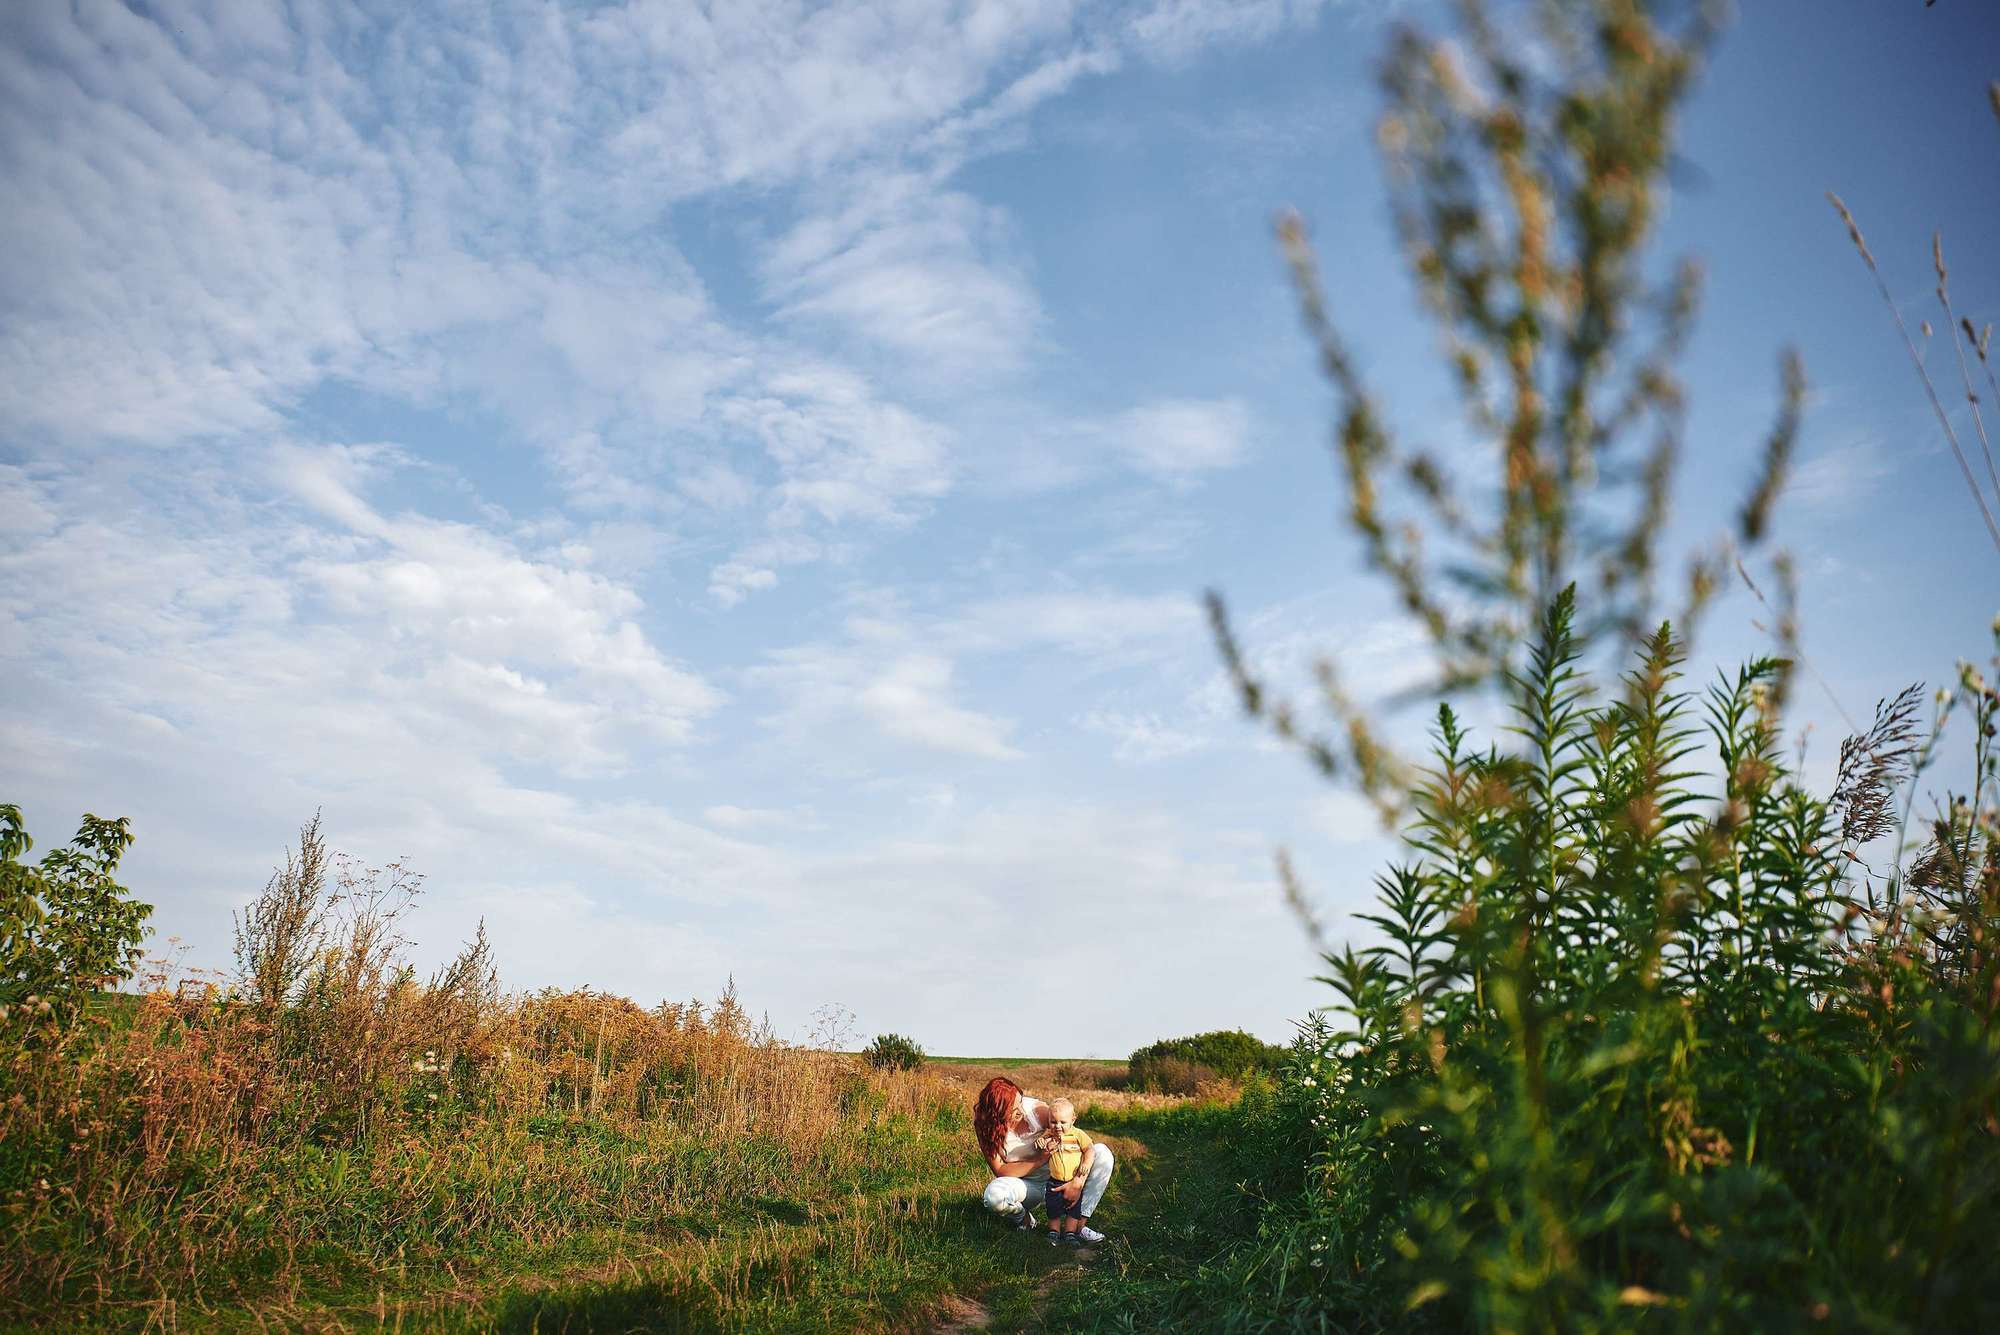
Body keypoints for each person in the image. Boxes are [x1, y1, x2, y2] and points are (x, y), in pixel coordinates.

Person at [974, 1077, 1113, 1243]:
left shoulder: (1036, 1110)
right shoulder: (984, 1126)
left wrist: (1077, 1182)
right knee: (994, 1197)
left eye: (1020, 1101)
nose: (1021, 1109)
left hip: (1062, 1177)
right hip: (1028, 1186)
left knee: (1102, 1152)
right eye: (1014, 1108)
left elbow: (1073, 1135)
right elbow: (1001, 1171)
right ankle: (1025, 1220)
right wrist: (1039, 1159)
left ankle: (1078, 1226)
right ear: (997, 1112)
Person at [1035, 1098, 1096, 1246]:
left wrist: (1086, 1163)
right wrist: (1040, 1142)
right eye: (1053, 1122)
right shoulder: (1049, 1134)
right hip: (1054, 1180)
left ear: (1073, 1119)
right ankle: (1054, 1232)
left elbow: (1090, 1149)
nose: (1058, 1126)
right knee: (1053, 1207)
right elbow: (1038, 1144)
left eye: (1063, 1122)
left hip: (1072, 1179)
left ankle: (1070, 1233)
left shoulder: (1077, 1135)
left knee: (1073, 1209)